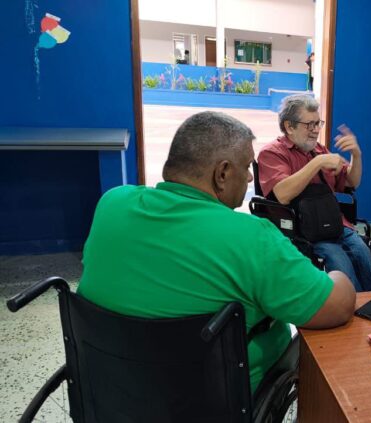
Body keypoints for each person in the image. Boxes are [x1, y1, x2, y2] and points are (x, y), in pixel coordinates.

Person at [77, 111, 355, 393]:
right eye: (246, 167)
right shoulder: (251, 236)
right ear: (222, 174)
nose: (250, 177)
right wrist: (335, 275)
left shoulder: (112, 203)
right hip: (218, 400)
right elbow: (338, 306)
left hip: (112, 391)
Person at [257, 94, 371, 292]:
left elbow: (351, 181)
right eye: (309, 124)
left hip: (332, 221)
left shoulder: (319, 150)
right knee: (340, 262)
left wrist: (356, 155)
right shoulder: (272, 153)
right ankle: (352, 304)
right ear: (289, 126)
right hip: (301, 227)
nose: (315, 130)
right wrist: (318, 162)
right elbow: (282, 194)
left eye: (317, 123)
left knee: (361, 251)